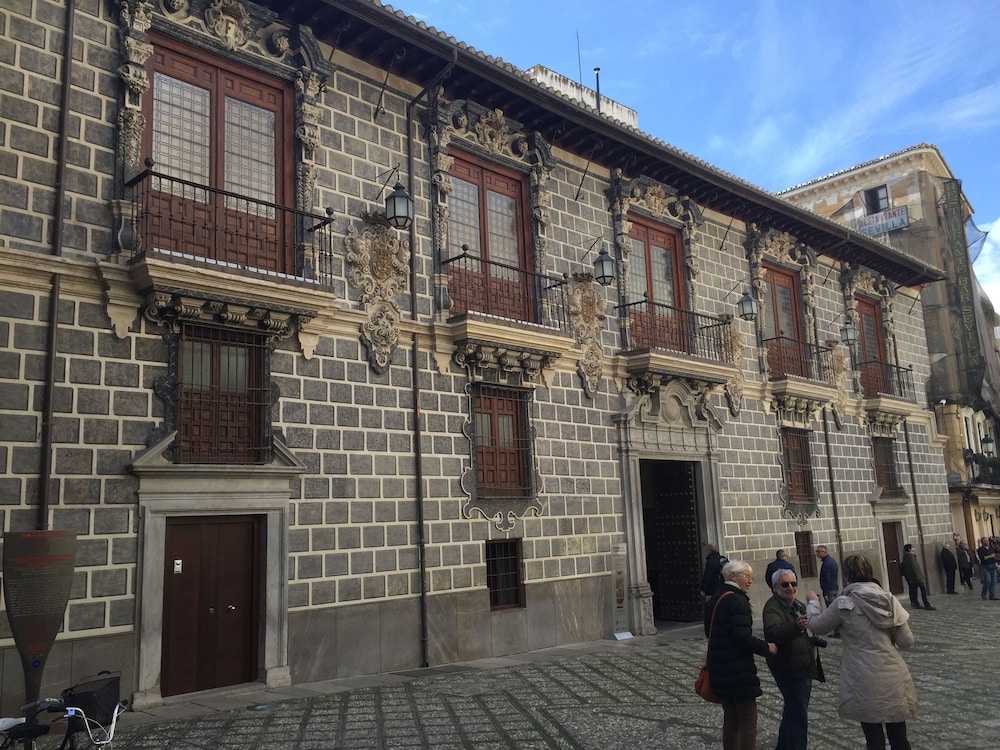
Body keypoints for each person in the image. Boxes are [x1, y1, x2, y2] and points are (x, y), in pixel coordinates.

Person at [806, 554, 917, 750]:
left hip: (861, 674)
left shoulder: (843, 604)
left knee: (873, 737)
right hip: (891, 672)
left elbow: (817, 626)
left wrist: (813, 603)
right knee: (899, 735)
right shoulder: (889, 600)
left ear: (847, 575)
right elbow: (906, 641)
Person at [704, 560, 777, 750]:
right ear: (733, 577)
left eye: (751, 577)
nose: (750, 581)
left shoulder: (716, 598)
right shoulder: (738, 601)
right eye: (747, 576)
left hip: (719, 667)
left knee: (731, 718)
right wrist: (766, 647)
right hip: (738, 670)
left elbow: (708, 632)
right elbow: (742, 637)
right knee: (748, 719)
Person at [763, 568, 818, 750]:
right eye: (785, 584)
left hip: (802, 664)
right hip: (788, 667)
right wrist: (795, 626)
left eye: (793, 584)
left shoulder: (797, 605)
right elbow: (773, 632)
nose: (790, 588)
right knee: (798, 715)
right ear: (775, 587)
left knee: (793, 711)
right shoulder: (773, 607)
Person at [900, 544, 934, 610]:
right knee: (923, 590)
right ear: (909, 549)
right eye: (912, 547)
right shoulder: (910, 557)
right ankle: (926, 604)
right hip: (916, 577)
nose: (914, 548)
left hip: (913, 577)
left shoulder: (907, 556)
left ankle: (915, 603)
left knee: (913, 590)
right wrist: (918, 577)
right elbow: (914, 568)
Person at [816, 545, 840, 637]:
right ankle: (837, 630)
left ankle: (837, 631)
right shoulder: (831, 561)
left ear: (824, 552)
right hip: (833, 588)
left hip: (829, 590)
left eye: (818, 552)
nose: (817, 554)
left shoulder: (827, 564)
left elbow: (827, 579)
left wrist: (825, 592)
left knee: (832, 611)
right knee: (834, 610)